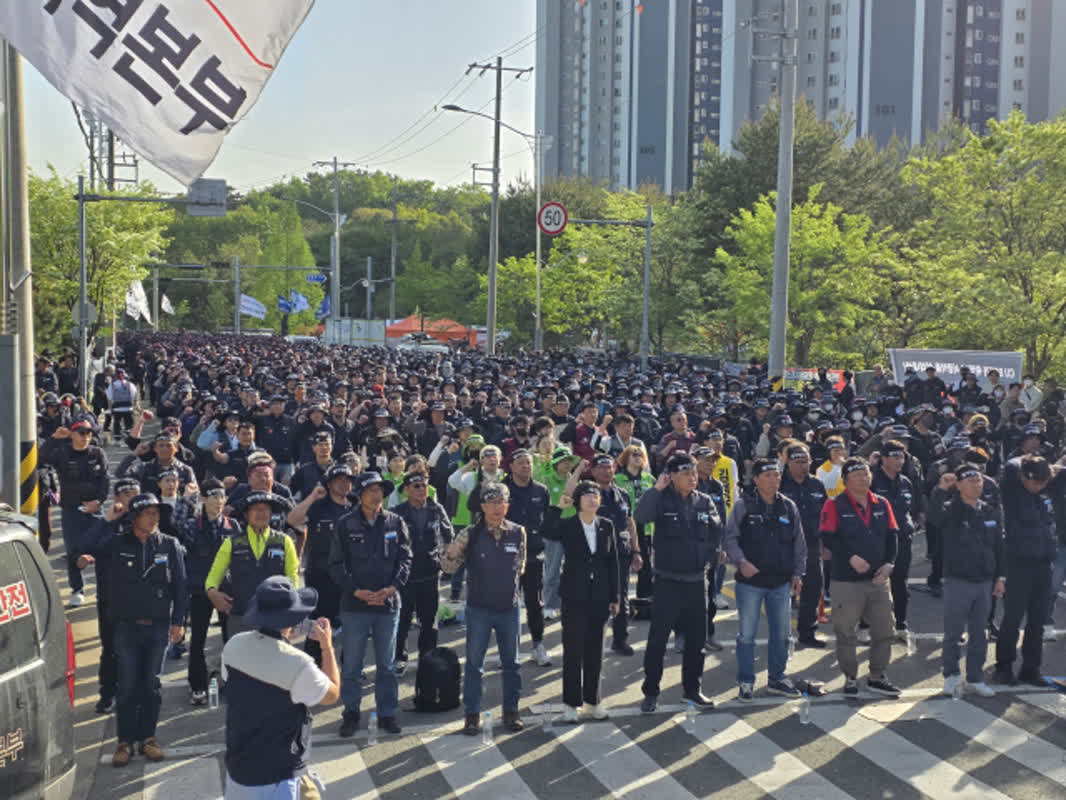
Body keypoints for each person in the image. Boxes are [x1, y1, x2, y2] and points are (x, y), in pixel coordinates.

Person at [79, 494, 187, 766]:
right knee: (126, 687)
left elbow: (181, 587)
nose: (153, 517)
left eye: (156, 513)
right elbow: (84, 546)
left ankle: (148, 738)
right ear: (134, 517)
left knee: (152, 686)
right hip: (126, 628)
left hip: (158, 627)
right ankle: (124, 742)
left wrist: (179, 621)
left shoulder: (169, 545)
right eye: (147, 512)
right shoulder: (117, 543)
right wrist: (106, 519)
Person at [221, 576, 341, 800]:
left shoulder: (233, 645)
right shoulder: (297, 664)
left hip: (238, 766)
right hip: (276, 775)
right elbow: (332, 694)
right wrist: (327, 648)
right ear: (292, 619)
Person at [634, 453, 722, 712]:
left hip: (696, 582)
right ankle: (651, 692)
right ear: (671, 476)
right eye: (686, 473)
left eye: (694, 473)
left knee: (697, 641)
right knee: (658, 641)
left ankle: (692, 690)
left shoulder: (704, 502)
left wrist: (710, 557)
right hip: (667, 582)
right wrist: (656, 489)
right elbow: (640, 516)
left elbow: (717, 532)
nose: (692, 478)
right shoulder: (661, 499)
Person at [328, 472, 411, 738]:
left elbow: (405, 559)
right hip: (355, 605)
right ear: (360, 494)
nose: (376, 495)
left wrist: (392, 587)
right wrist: (356, 591)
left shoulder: (396, 522)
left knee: (387, 665)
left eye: (379, 490)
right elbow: (336, 564)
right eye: (370, 490)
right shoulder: (345, 524)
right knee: (352, 665)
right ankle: (351, 713)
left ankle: (387, 713)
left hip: (387, 604)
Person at [440, 482, 527, 735]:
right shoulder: (470, 533)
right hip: (479, 608)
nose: (498, 507)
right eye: (492, 502)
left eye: (502, 502)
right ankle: (472, 714)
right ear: (483, 506)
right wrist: (452, 553)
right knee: (475, 664)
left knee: (512, 663)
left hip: (509, 608)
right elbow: (448, 569)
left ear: (507, 505)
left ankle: (511, 711)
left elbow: (520, 566)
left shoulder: (518, 532)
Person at [723, 459, 806, 701]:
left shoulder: (788, 507)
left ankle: (777, 679)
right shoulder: (743, 506)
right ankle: (746, 681)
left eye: (777, 475)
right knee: (747, 635)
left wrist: (798, 573)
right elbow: (729, 539)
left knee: (781, 634)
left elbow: (799, 545)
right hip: (750, 583)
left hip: (780, 582)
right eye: (768, 475)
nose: (774, 479)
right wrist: (740, 561)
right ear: (756, 479)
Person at [819, 457, 901, 698]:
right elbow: (828, 536)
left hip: (877, 579)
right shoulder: (834, 504)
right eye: (857, 475)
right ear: (845, 480)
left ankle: (877, 676)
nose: (863, 479)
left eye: (866, 474)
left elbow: (893, 535)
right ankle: (850, 677)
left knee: (885, 629)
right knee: (846, 632)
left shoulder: (882, 503)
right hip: (846, 581)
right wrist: (850, 557)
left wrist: (889, 564)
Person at [543, 481, 620, 722]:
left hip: (599, 595)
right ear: (578, 501)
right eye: (587, 495)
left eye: (596, 495)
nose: (592, 498)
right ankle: (570, 703)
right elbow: (546, 531)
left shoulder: (606, 526)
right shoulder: (567, 525)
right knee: (573, 650)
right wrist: (557, 507)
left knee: (595, 651)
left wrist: (615, 596)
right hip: (574, 594)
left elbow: (613, 563)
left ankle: (592, 701)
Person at [928, 465, 1004, 698]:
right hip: (958, 580)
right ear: (959, 485)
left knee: (980, 633)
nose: (976, 484)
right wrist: (941, 489)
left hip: (984, 581)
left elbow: (999, 546)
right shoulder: (951, 510)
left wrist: (1001, 577)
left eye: (978, 480)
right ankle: (951, 675)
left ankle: (975, 677)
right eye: (970, 480)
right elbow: (933, 518)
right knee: (953, 632)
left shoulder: (989, 510)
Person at [75, 477, 141, 714]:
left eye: (135, 493)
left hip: (140, 600)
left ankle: (135, 693)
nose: (132, 498)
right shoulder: (108, 523)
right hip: (111, 598)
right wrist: (106, 520)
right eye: (127, 494)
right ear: (118, 498)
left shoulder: (147, 521)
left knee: (137, 649)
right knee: (110, 649)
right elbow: (85, 544)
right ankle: (107, 694)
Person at [994, 455, 1057, 686]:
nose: (1039, 486)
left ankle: (1031, 668)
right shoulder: (1012, 490)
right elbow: (1011, 465)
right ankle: (1004, 667)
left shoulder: (1042, 496)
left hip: (1043, 563)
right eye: (1035, 481)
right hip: (1018, 563)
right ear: (1024, 477)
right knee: (1013, 618)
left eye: (1043, 482)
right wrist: (1031, 462)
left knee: (1038, 621)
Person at [177, 478, 239, 704]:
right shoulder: (193, 525)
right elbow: (175, 526)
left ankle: (233, 681)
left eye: (222, 496)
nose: (219, 501)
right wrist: (185, 501)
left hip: (226, 591)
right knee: (198, 641)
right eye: (213, 496)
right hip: (200, 590)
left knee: (231, 638)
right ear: (203, 499)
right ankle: (197, 685)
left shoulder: (233, 526)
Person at [205, 492, 299, 638]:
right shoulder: (232, 542)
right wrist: (212, 592)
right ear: (246, 515)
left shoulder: (284, 541)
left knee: (273, 661)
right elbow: (213, 577)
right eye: (256, 509)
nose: (261, 513)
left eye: (265, 509)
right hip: (241, 616)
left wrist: (289, 612)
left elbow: (293, 578)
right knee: (239, 661)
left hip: (275, 617)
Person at [286, 464, 353, 667]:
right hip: (321, 577)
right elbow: (292, 519)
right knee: (319, 625)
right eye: (339, 479)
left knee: (350, 625)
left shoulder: (355, 507)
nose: (344, 483)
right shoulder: (318, 507)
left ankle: (348, 666)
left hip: (347, 576)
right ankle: (313, 667)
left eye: (348, 480)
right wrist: (313, 496)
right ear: (330, 484)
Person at [41, 414, 110, 606]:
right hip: (71, 509)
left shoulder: (97, 453)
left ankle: (104, 588)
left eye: (88, 432)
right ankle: (77, 589)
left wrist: (98, 501)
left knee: (103, 547)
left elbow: (105, 480)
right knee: (73, 550)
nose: (85, 436)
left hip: (95, 508)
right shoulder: (62, 453)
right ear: (72, 434)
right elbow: (41, 458)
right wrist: (54, 438)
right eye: (80, 432)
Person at [392, 471, 453, 674]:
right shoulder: (397, 512)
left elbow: (448, 535)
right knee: (402, 620)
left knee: (429, 620)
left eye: (424, 485)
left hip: (429, 573)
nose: (421, 490)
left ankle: (428, 658)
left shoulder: (436, 509)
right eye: (416, 486)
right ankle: (399, 658)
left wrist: (445, 556)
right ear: (407, 489)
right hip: (405, 576)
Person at [502, 449, 552, 666]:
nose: (526, 466)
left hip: (533, 555)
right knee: (506, 604)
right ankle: (508, 650)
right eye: (521, 463)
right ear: (511, 466)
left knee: (534, 602)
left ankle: (538, 645)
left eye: (529, 463)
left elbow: (547, 519)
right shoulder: (501, 490)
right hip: (505, 555)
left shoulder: (541, 490)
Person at [589, 453, 641, 655]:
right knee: (597, 600)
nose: (606, 471)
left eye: (610, 467)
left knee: (621, 598)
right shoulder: (588, 495)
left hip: (621, 553)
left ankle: (620, 639)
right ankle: (594, 642)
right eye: (601, 468)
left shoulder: (622, 494)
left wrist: (636, 550)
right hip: (597, 555)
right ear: (593, 471)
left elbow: (630, 522)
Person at [779, 443, 828, 647]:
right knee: (781, 591)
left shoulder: (816, 485)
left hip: (811, 545)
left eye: (806, 461)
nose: (803, 466)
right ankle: (781, 635)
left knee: (813, 587)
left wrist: (826, 544)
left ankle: (807, 633)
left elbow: (826, 516)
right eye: (798, 462)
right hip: (783, 545)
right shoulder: (779, 483)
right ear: (788, 462)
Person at [870, 440, 919, 640]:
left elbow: (912, 506)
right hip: (878, 540)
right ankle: (866, 625)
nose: (899, 461)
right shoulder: (872, 479)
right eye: (895, 457)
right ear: (883, 458)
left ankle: (901, 624)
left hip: (902, 539)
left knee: (900, 583)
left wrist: (914, 521)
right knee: (873, 583)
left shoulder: (906, 481)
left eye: (902, 457)